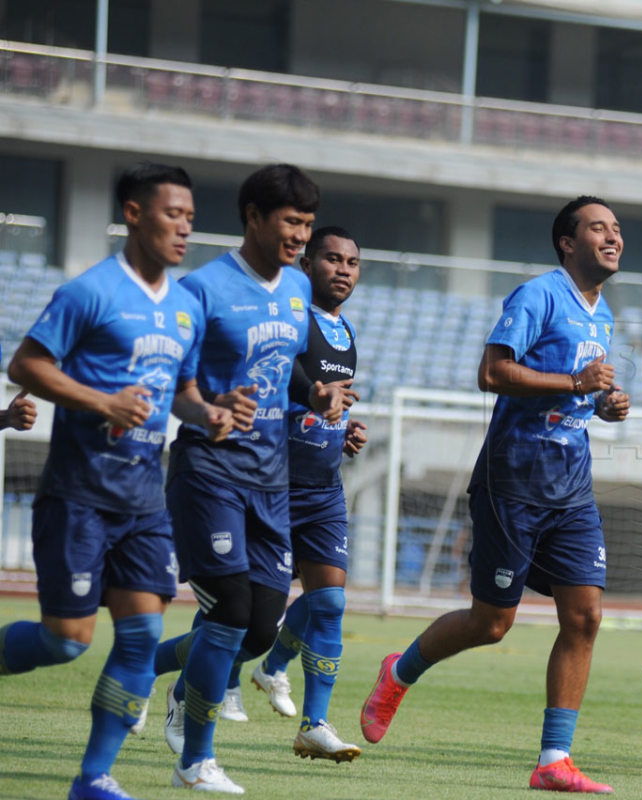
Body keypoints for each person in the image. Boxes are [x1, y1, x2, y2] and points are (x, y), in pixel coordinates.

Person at [358, 196, 630, 793]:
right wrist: (575, 382)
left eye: (616, 229)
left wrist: (602, 404)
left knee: (584, 617)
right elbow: (492, 373)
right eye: (598, 228)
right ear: (567, 242)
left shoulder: (602, 313)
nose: (612, 237)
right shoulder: (539, 295)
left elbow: (576, 394)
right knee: (492, 623)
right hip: (512, 480)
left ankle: (553, 760)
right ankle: (398, 672)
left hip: (572, 487)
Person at [1, 163, 232, 800]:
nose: (184, 227)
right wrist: (102, 403)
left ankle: (93, 778)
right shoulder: (90, 292)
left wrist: (207, 412)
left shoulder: (186, 306)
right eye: (171, 214)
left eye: (189, 216)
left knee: (141, 636)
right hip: (77, 492)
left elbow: (182, 389)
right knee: (65, 641)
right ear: (133, 214)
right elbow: (26, 363)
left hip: (144, 498)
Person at [150, 164, 352, 793]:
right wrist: (207, 411)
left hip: (272, 477)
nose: (300, 235)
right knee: (232, 609)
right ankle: (195, 756)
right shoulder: (203, 288)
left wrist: (315, 395)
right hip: (210, 472)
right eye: (291, 222)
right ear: (254, 217)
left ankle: (151, 679)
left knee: (263, 627)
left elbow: (288, 359)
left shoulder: (295, 290)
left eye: (308, 224)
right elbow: (168, 382)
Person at [249, 226, 368, 762]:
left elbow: (324, 405)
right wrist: (315, 406)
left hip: (323, 488)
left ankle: (313, 723)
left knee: (331, 600)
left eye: (352, 262)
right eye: (332, 259)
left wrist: (344, 432)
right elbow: (283, 388)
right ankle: (191, 687)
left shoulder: (346, 334)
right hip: (272, 483)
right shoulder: (292, 321)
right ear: (307, 264)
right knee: (243, 614)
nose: (343, 269)